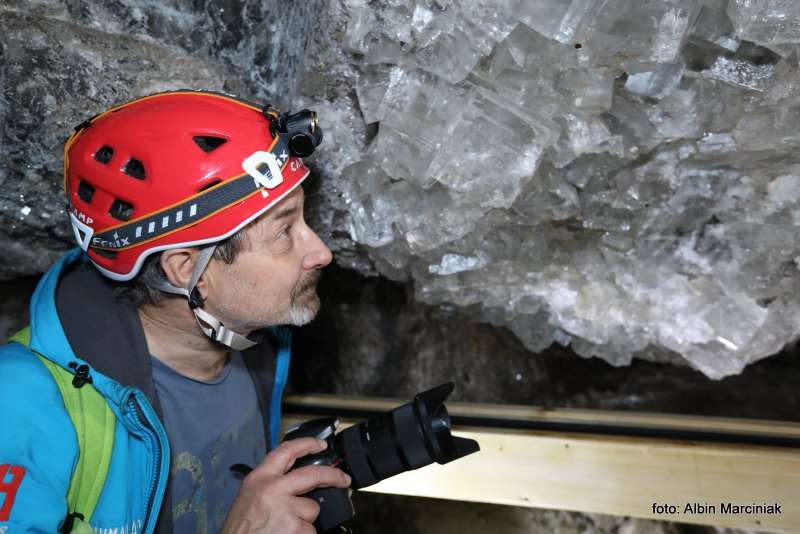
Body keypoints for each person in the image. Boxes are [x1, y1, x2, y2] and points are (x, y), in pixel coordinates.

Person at [0, 90, 351, 534]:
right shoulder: (19, 412)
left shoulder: (258, 346)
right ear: (189, 271)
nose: (321, 251)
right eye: (284, 231)